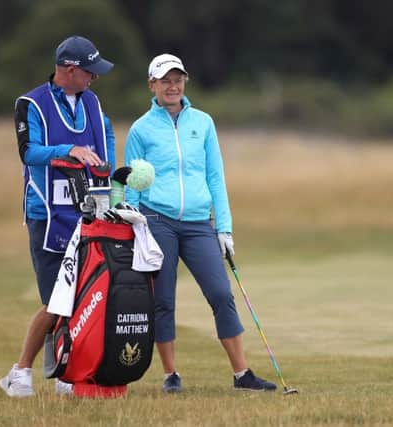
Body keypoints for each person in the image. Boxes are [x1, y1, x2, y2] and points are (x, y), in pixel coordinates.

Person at [124, 54, 277, 393]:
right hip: (155, 221)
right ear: (152, 85)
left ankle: (242, 374)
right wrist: (133, 223)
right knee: (163, 299)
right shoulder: (141, 129)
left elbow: (215, 177)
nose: (172, 85)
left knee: (221, 293)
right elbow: (133, 181)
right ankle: (170, 375)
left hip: (198, 222)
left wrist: (224, 227)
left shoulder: (203, 123)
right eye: (165, 80)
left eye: (177, 79)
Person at [0, 35, 115, 397]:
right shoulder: (30, 103)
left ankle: (66, 372)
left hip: (87, 211)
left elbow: (106, 133)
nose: (94, 78)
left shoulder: (91, 102)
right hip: (47, 216)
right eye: (89, 72)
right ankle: (21, 373)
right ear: (69, 69)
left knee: (81, 298)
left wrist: (106, 163)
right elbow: (28, 152)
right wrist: (71, 150)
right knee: (56, 301)